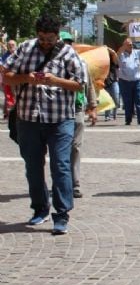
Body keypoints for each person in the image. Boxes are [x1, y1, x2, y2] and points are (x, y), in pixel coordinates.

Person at [2, 16, 85, 235]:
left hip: (60, 120)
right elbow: (7, 77)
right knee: (33, 167)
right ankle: (40, 208)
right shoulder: (25, 49)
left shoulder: (68, 53)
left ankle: (62, 214)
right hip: (28, 119)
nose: (45, 42)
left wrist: (55, 80)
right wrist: (26, 78)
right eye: (41, 38)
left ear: (57, 35)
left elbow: (80, 85)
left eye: (49, 39)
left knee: (61, 166)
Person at [61, 32, 97, 199]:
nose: (66, 46)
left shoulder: (81, 63)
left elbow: (89, 85)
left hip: (76, 109)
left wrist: (93, 106)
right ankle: (61, 181)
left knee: (75, 147)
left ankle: (75, 184)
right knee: (59, 149)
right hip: (58, 111)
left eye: (69, 43)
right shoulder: (53, 64)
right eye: (63, 43)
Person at [117, 37, 140, 125]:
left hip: (137, 80)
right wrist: (123, 46)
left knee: (138, 100)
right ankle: (128, 119)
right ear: (124, 46)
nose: (131, 46)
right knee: (128, 102)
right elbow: (118, 53)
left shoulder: (136, 52)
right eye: (129, 44)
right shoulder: (121, 54)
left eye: (131, 44)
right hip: (125, 81)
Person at [104, 46, 120, 121]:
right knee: (107, 99)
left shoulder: (112, 60)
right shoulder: (102, 60)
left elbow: (115, 55)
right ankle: (107, 115)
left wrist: (108, 49)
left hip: (114, 81)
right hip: (105, 82)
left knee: (116, 97)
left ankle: (114, 113)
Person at [2, 39, 16, 119]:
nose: (11, 47)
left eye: (13, 45)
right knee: (8, 96)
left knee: (15, 96)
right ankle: (8, 113)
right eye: (9, 45)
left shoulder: (19, 54)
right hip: (7, 79)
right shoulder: (4, 56)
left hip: (17, 79)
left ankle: (11, 112)